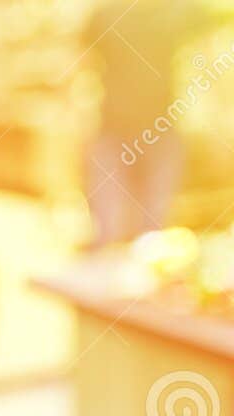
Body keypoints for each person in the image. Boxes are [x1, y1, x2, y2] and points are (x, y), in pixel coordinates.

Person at [86, 0, 214, 248]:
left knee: (148, 234)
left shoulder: (176, 12)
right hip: (115, 129)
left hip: (159, 128)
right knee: (118, 229)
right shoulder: (107, 15)